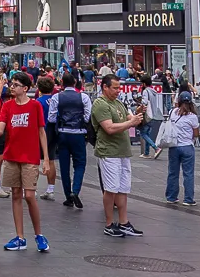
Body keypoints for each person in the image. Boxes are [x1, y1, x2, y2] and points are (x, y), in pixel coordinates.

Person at [0, 71, 51, 252]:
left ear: (25, 88)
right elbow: (0, 128)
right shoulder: (8, 106)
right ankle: (20, 237)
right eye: (12, 84)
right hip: (11, 156)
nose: (12, 87)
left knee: (29, 195)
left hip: (30, 157)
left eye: (16, 85)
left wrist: (46, 158)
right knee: (16, 194)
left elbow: (42, 132)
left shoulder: (35, 106)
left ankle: (39, 234)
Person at [93, 71, 144, 237]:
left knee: (123, 188)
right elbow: (109, 128)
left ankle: (123, 222)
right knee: (111, 188)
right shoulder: (101, 104)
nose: (118, 91)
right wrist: (131, 122)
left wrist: (137, 116)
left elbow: (131, 119)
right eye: (114, 88)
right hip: (109, 152)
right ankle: (109, 223)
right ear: (105, 87)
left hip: (122, 151)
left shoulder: (119, 103)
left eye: (119, 88)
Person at [48, 70, 91, 209]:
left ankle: (68, 196)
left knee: (64, 167)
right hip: (78, 133)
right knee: (80, 164)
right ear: (75, 83)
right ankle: (75, 190)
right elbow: (87, 117)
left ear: (61, 83)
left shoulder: (56, 97)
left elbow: (51, 118)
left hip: (63, 133)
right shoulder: (83, 97)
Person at [163, 89, 200, 205]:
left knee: (173, 172)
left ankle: (171, 197)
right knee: (188, 173)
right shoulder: (193, 117)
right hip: (187, 146)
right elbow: (196, 134)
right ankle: (188, 199)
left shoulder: (173, 112)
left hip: (174, 146)